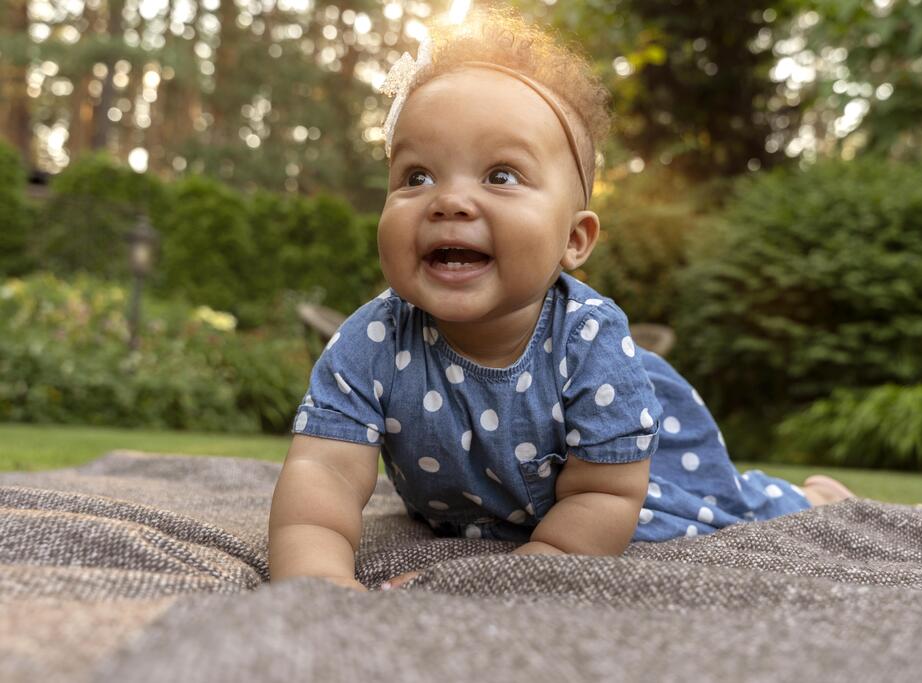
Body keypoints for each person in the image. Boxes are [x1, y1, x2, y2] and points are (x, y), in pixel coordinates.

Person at [268, 6, 853, 592]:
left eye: (500, 175)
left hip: (627, 484)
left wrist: (518, 575)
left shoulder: (590, 341)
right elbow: (324, 475)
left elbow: (604, 496)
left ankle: (816, 495)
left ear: (574, 240)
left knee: (742, 506)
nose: (449, 201)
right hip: (483, 511)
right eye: (416, 176)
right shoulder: (371, 340)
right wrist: (316, 581)